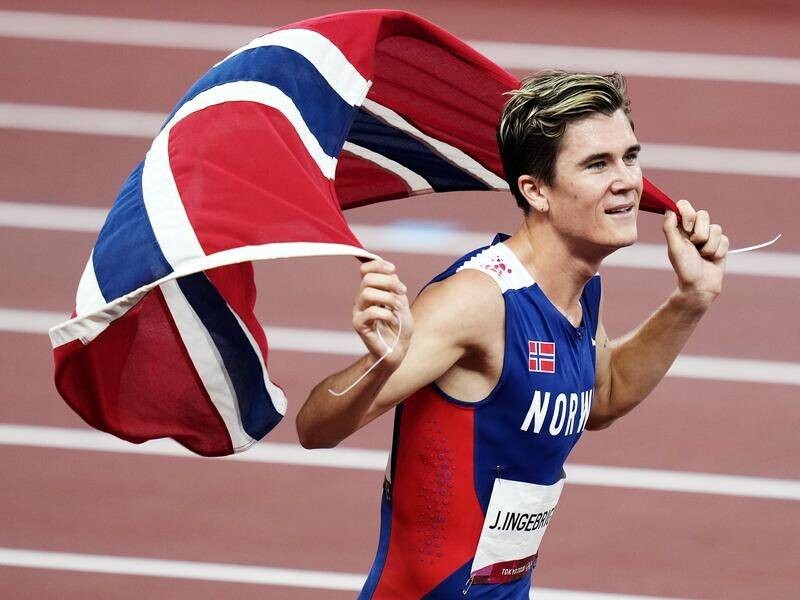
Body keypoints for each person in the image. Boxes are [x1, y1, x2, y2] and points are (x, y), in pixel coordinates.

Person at [296, 71, 728, 598]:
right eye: (597, 164)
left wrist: (691, 300)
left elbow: (603, 395)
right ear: (535, 190)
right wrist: (379, 364)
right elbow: (314, 429)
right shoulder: (477, 302)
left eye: (629, 157)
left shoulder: (578, 289)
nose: (627, 181)